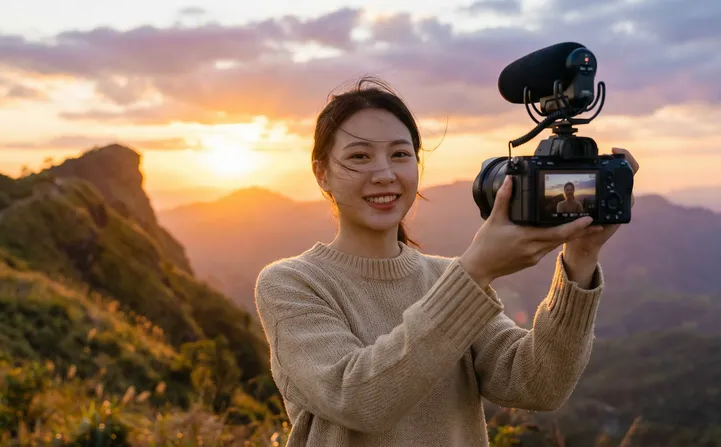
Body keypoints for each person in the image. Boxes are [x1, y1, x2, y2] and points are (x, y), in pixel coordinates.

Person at [254, 76, 639, 447]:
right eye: (359, 156)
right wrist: (476, 271)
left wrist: (582, 255)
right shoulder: (291, 284)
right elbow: (359, 400)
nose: (385, 174)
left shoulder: (444, 278)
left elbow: (539, 383)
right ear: (322, 174)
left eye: (400, 154)